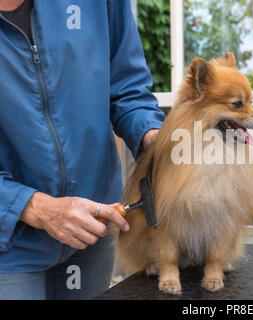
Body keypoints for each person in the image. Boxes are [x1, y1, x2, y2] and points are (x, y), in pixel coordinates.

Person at [0, 0, 165, 299]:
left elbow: (127, 87)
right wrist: (34, 207)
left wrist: (154, 138)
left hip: (93, 227)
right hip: (8, 244)